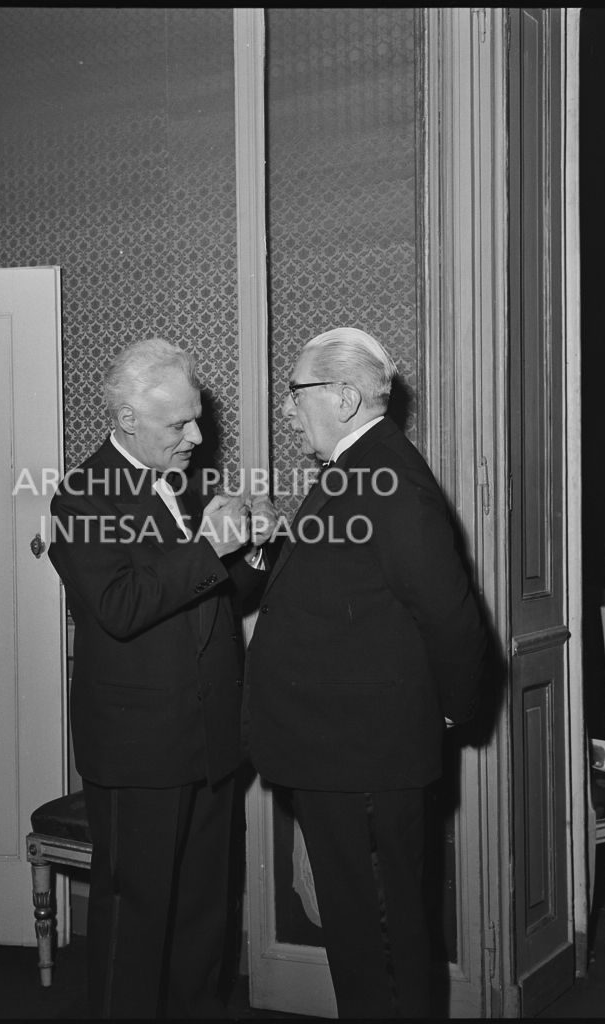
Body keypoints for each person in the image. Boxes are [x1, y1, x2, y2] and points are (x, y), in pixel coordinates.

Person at [245, 327, 488, 1018]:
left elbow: (450, 616)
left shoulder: (388, 477)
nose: (289, 409)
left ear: (345, 396)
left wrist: (445, 710)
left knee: (379, 938)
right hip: (343, 753)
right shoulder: (358, 469)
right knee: (360, 936)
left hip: (367, 757)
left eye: (297, 394)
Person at [46, 337, 271, 1018]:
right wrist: (211, 546)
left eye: (197, 419)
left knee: (205, 907)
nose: (198, 437)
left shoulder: (180, 485)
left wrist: (254, 549)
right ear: (127, 424)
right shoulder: (82, 497)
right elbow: (121, 608)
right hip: (140, 746)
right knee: (137, 914)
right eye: (180, 425)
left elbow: (217, 597)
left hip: (209, 735)